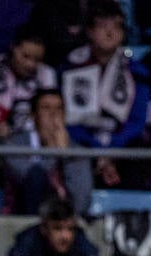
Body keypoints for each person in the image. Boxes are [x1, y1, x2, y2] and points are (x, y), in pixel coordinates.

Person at [61, 0, 151, 189]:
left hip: (122, 145)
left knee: (140, 158)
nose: (110, 33)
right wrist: (96, 150)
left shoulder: (136, 71)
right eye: (103, 26)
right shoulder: (69, 67)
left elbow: (137, 121)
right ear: (90, 31)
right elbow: (68, 119)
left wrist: (111, 151)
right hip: (81, 142)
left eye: (117, 27)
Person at [5, 88, 94, 217]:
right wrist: (54, 152)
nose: (53, 114)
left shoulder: (77, 152)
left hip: (67, 223)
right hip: (26, 218)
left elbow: (81, 202)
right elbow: (29, 179)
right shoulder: (15, 145)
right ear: (33, 115)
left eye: (59, 109)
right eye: (46, 108)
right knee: (36, 174)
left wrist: (66, 155)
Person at [0, 25, 57, 140]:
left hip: (30, 141)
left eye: (37, 60)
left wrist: (17, 133)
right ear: (13, 47)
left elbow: (49, 116)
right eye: (26, 56)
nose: (31, 64)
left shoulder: (47, 74)